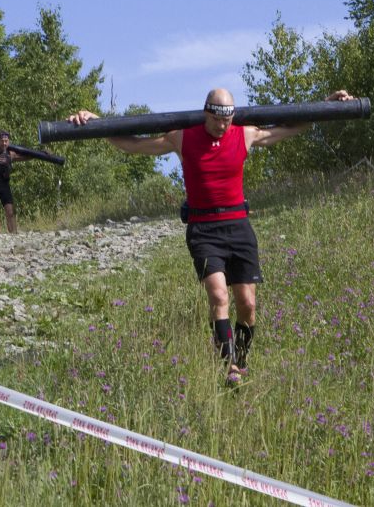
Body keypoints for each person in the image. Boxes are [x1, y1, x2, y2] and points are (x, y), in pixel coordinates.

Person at [67, 88, 354, 381]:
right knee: (218, 295)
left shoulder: (245, 134)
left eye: (228, 118)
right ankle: (229, 367)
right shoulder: (183, 137)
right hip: (204, 229)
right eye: (217, 118)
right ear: (206, 112)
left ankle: (241, 360)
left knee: (248, 304)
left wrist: (328, 104)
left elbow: (292, 127)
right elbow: (134, 145)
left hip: (239, 227)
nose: (223, 124)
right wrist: (97, 123)